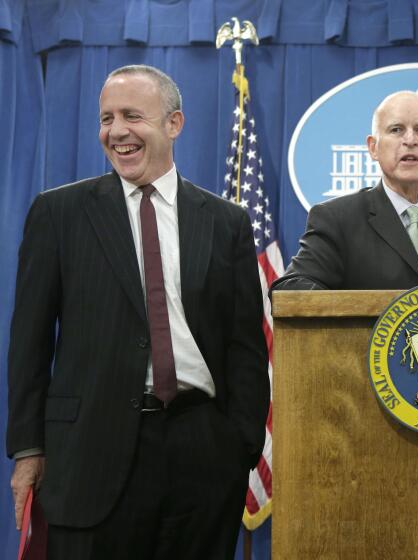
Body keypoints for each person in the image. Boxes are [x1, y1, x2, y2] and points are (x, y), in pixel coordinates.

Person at [6, 65, 269, 559]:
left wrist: (240, 446)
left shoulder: (226, 221)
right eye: (106, 119)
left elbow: (244, 347)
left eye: (132, 116)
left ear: (174, 124)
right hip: (90, 453)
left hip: (203, 452)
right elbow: (29, 343)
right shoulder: (58, 213)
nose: (117, 132)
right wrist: (28, 449)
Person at [274, 91, 418, 290]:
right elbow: (292, 289)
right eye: (396, 129)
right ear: (373, 147)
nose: (410, 140)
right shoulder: (337, 220)